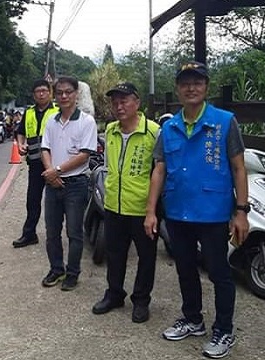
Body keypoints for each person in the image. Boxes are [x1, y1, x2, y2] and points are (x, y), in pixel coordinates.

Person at [143, 61, 249, 359]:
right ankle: (193, 319)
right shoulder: (169, 127)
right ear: (178, 88)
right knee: (185, 269)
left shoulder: (225, 122)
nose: (191, 87)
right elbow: (159, 170)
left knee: (219, 273)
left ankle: (223, 330)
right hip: (178, 212)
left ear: (206, 87)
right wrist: (151, 211)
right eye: (185, 82)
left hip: (214, 213)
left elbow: (239, 169)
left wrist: (241, 212)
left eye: (197, 82)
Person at [91, 82, 159, 323]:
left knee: (146, 257)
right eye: (115, 102)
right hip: (113, 206)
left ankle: (141, 300)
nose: (119, 106)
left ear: (137, 103)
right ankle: (114, 294)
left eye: (124, 101)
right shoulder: (110, 130)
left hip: (142, 208)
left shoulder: (153, 131)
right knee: (115, 253)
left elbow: (160, 171)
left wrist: (152, 209)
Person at [39, 76, 98, 291]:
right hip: (52, 184)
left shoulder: (86, 121)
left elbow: (84, 155)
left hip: (75, 185)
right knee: (52, 231)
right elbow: (45, 148)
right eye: (60, 92)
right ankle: (56, 269)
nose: (64, 96)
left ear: (76, 94)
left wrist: (57, 170)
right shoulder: (51, 121)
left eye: (68, 92)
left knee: (74, 232)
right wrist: (50, 173)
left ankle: (72, 273)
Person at [12, 80, 59, 248]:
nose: (41, 94)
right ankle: (29, 234)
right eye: (38, 91)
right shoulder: (29, 112)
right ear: (34, 94)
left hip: (55, 164)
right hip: (34, 163)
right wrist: (20, 145)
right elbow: (20, 132)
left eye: (44, 91)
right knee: (32, 200)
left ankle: (57, 237)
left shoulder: (58, 111)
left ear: (50, 93)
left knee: (59, 201)